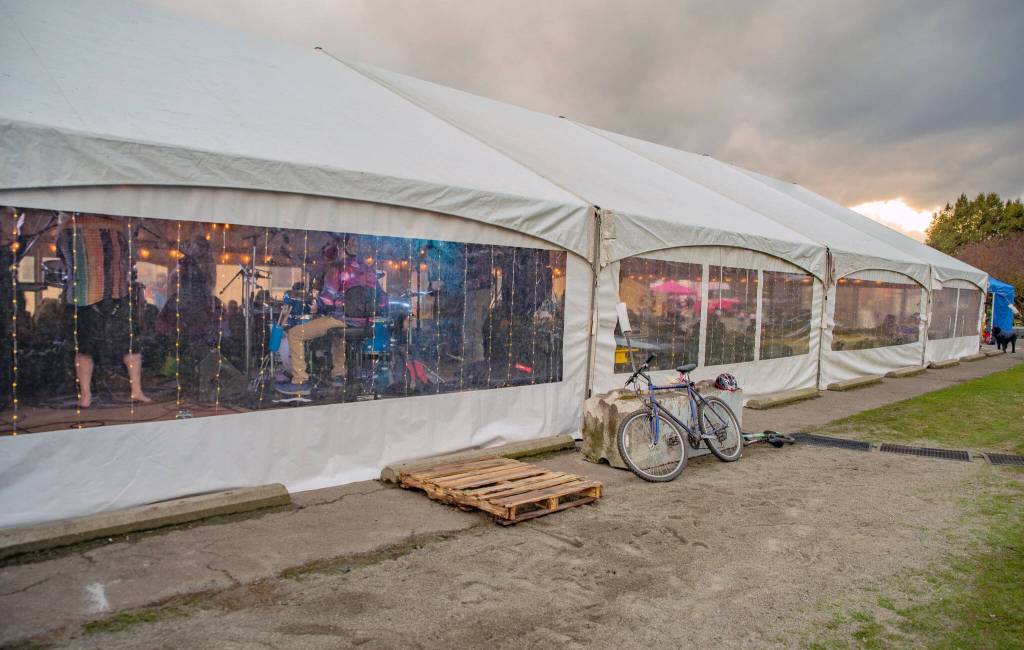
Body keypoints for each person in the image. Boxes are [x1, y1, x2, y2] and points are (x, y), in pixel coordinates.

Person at [57, 213, 149, 407]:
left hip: (84, 294)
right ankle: (136, 391)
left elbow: (64, 259)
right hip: (115, 293)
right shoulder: (119, 228)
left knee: (85, 349)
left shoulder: (68, 227)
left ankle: (86, 397)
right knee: (130, 345)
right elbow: (131, 258)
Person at [277, 234, 380, 396]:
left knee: (295, 333)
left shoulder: (337, 268)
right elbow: (382, 300)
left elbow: (327, 299)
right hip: (366, 324)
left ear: (341, 248)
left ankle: (300, 380)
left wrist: (316, 307)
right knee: (338, 334)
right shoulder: (368, 270)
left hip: (342, 319)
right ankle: (338, 374)